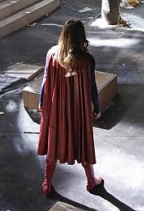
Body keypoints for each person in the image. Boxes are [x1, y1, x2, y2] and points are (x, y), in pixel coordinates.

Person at [37, 19, 104, 197]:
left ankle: (47, 183)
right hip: (78, 110)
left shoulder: (52, 54)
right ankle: (91, 181)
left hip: (56, 109)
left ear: (63, 35)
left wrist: (42, 101)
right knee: (82, 142)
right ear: (82, 37)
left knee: (53, 142)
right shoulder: (87, 60)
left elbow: (45, 80)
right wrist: (96, 107)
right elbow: (92, 87)